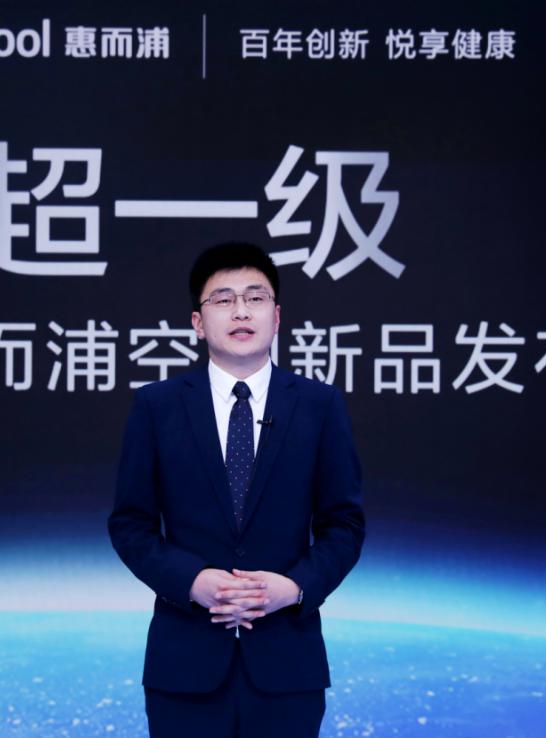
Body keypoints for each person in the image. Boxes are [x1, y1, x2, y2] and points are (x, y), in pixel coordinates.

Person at [108, 241, 365, 738]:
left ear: (277, 316)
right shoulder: (157, 407)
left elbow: (344, 525)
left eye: (256, 297)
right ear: (198, 322)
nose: (241, 311)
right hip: (184, 667)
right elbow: (130, 525)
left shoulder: (319, 406)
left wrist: (293, 589)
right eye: (223, 299)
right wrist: (191, 582)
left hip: (287, 666)